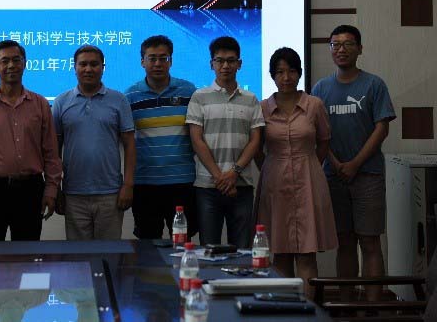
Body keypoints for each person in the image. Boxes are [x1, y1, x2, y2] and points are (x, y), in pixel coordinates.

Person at [311, 25, 396, 301]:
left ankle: (372, 308)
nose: (341, 49)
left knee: (370, 241)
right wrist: (336, 164)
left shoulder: (374, 85)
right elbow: (318, 134)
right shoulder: (321, 88)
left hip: (368, 175)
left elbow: (382, 128)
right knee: (344, 242)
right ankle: (347, 306)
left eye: (348, 44)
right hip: (333, 176)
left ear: (360, 48)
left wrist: (355, 163)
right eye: (335, 44)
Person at [0, 40, 62, 241]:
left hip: (30, 189)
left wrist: (51, 189)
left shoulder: (40, 104)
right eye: (4, 61)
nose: (11, 65)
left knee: (27, 251)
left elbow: (51, 152)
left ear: (25, 64)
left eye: (16, 60)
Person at [257, 47, 337, 297]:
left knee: (306, 253)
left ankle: (308, 310)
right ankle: (284, 310)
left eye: (292, 71)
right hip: (274, 182)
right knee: (280, 253)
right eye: (280, 72)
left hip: (308, 180)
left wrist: (309, 164)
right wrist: (270, 168)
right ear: (272, 75)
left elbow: (324, 141)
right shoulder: (262, 108)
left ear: (300, 73)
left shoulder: (314, 105)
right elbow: (256, 148)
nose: (286, 77)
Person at [186, 36, 264, 248]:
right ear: (211, 64)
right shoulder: (199, 97)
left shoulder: (251, 99)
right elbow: (196, 140)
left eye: (231, 60)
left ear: (240, 63)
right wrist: (220, 177)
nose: (225, 66)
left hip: (242, 186)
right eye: (219, 61)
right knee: (209, 248)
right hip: (207, 186)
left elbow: (255, 140)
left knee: (242, 250)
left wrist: (234, 173)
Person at [53, 45, 136, 240]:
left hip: (111, 193)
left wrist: (128, 185)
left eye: (94, 64)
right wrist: (55, 188)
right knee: (78, 254)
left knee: (109, 253)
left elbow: (130, 145)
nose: (88, 69)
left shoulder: (119, 100)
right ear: (74, 67)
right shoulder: (61, 102)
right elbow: (54, 150)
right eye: (83, 64)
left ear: (103, 67)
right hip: (73, 193)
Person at [124, 35, 197, 240]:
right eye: (152, 58)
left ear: (171, 61)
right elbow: (126, 140)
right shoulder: (130, 96)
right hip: (145, 182)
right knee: (147, 244)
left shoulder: (189, 92)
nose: (158, 63)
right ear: (142, 61)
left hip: (182, 181)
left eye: (163, 58)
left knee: (182, 242)